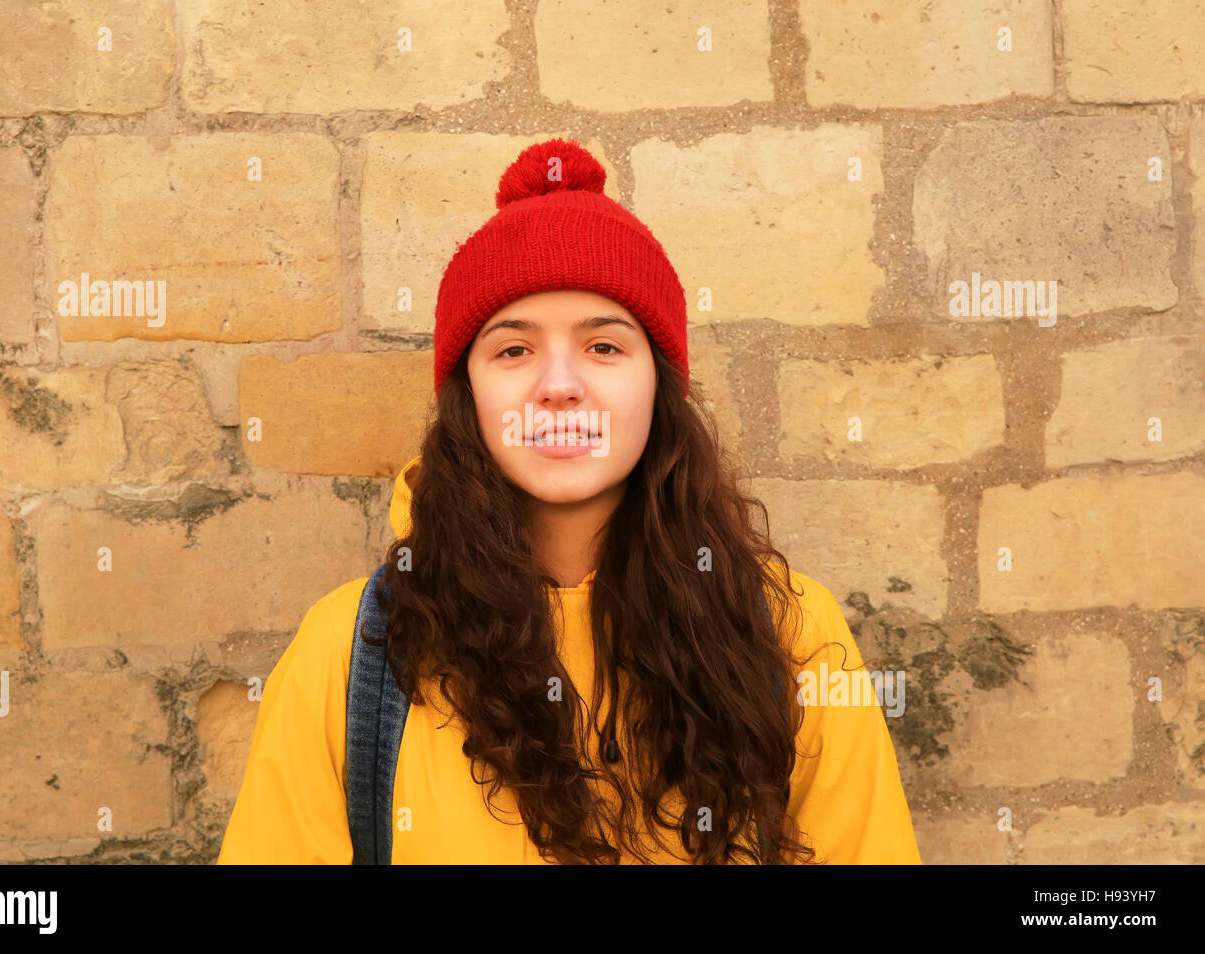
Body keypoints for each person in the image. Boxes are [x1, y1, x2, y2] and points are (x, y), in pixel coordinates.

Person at [217, 138, 921, 865]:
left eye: (605, 347)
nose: (558, 384)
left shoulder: (792, 638)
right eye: (513, 350)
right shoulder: (351, 657)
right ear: (469, 397)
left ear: (660, 388)